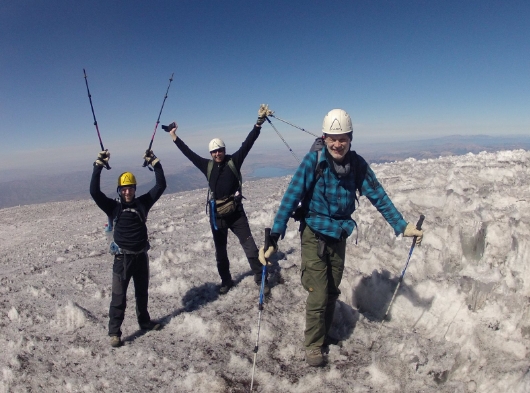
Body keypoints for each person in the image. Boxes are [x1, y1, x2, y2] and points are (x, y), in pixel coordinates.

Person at [259, 108, 424, 367]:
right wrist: (274, 236)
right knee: (318, 291)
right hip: (314, 232)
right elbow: (290, 198)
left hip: (340, 234)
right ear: (324, 138)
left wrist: (402, 226)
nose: (338, 144)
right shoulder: (313, 162)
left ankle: (323, 336)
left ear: (350, 138)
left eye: (343, 138)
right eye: (332, 138)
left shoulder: (356, 165)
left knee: (332, 291)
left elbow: (377, 195)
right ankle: (313, 344)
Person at [167, 104, 273, 295]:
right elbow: (188, 153)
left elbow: (248, 143)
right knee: (220, 252)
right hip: (218, 216)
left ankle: (260, 274)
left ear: (224, 150)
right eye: (214, 151)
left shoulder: (234, 161)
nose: (217, 153)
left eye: (220, 150)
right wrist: (174, 136)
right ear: (210, 153)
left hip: (236, 214)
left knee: (249, 245)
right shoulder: (206, 166)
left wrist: (258, 123)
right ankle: (226, 281)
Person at [90, 149, 166, 347]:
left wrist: (155, 163)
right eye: (124, 189)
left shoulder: (143, 203)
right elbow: (94, 192)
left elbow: (161, 185)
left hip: (141, 257)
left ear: (134, 189)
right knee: (118, 298)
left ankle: (144, 321)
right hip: (122, 260)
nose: (127, 191)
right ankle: (114, 333)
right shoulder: (114, 207)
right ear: (119, 190)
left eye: (130, 188)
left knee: (142, 293)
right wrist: (98, 166)